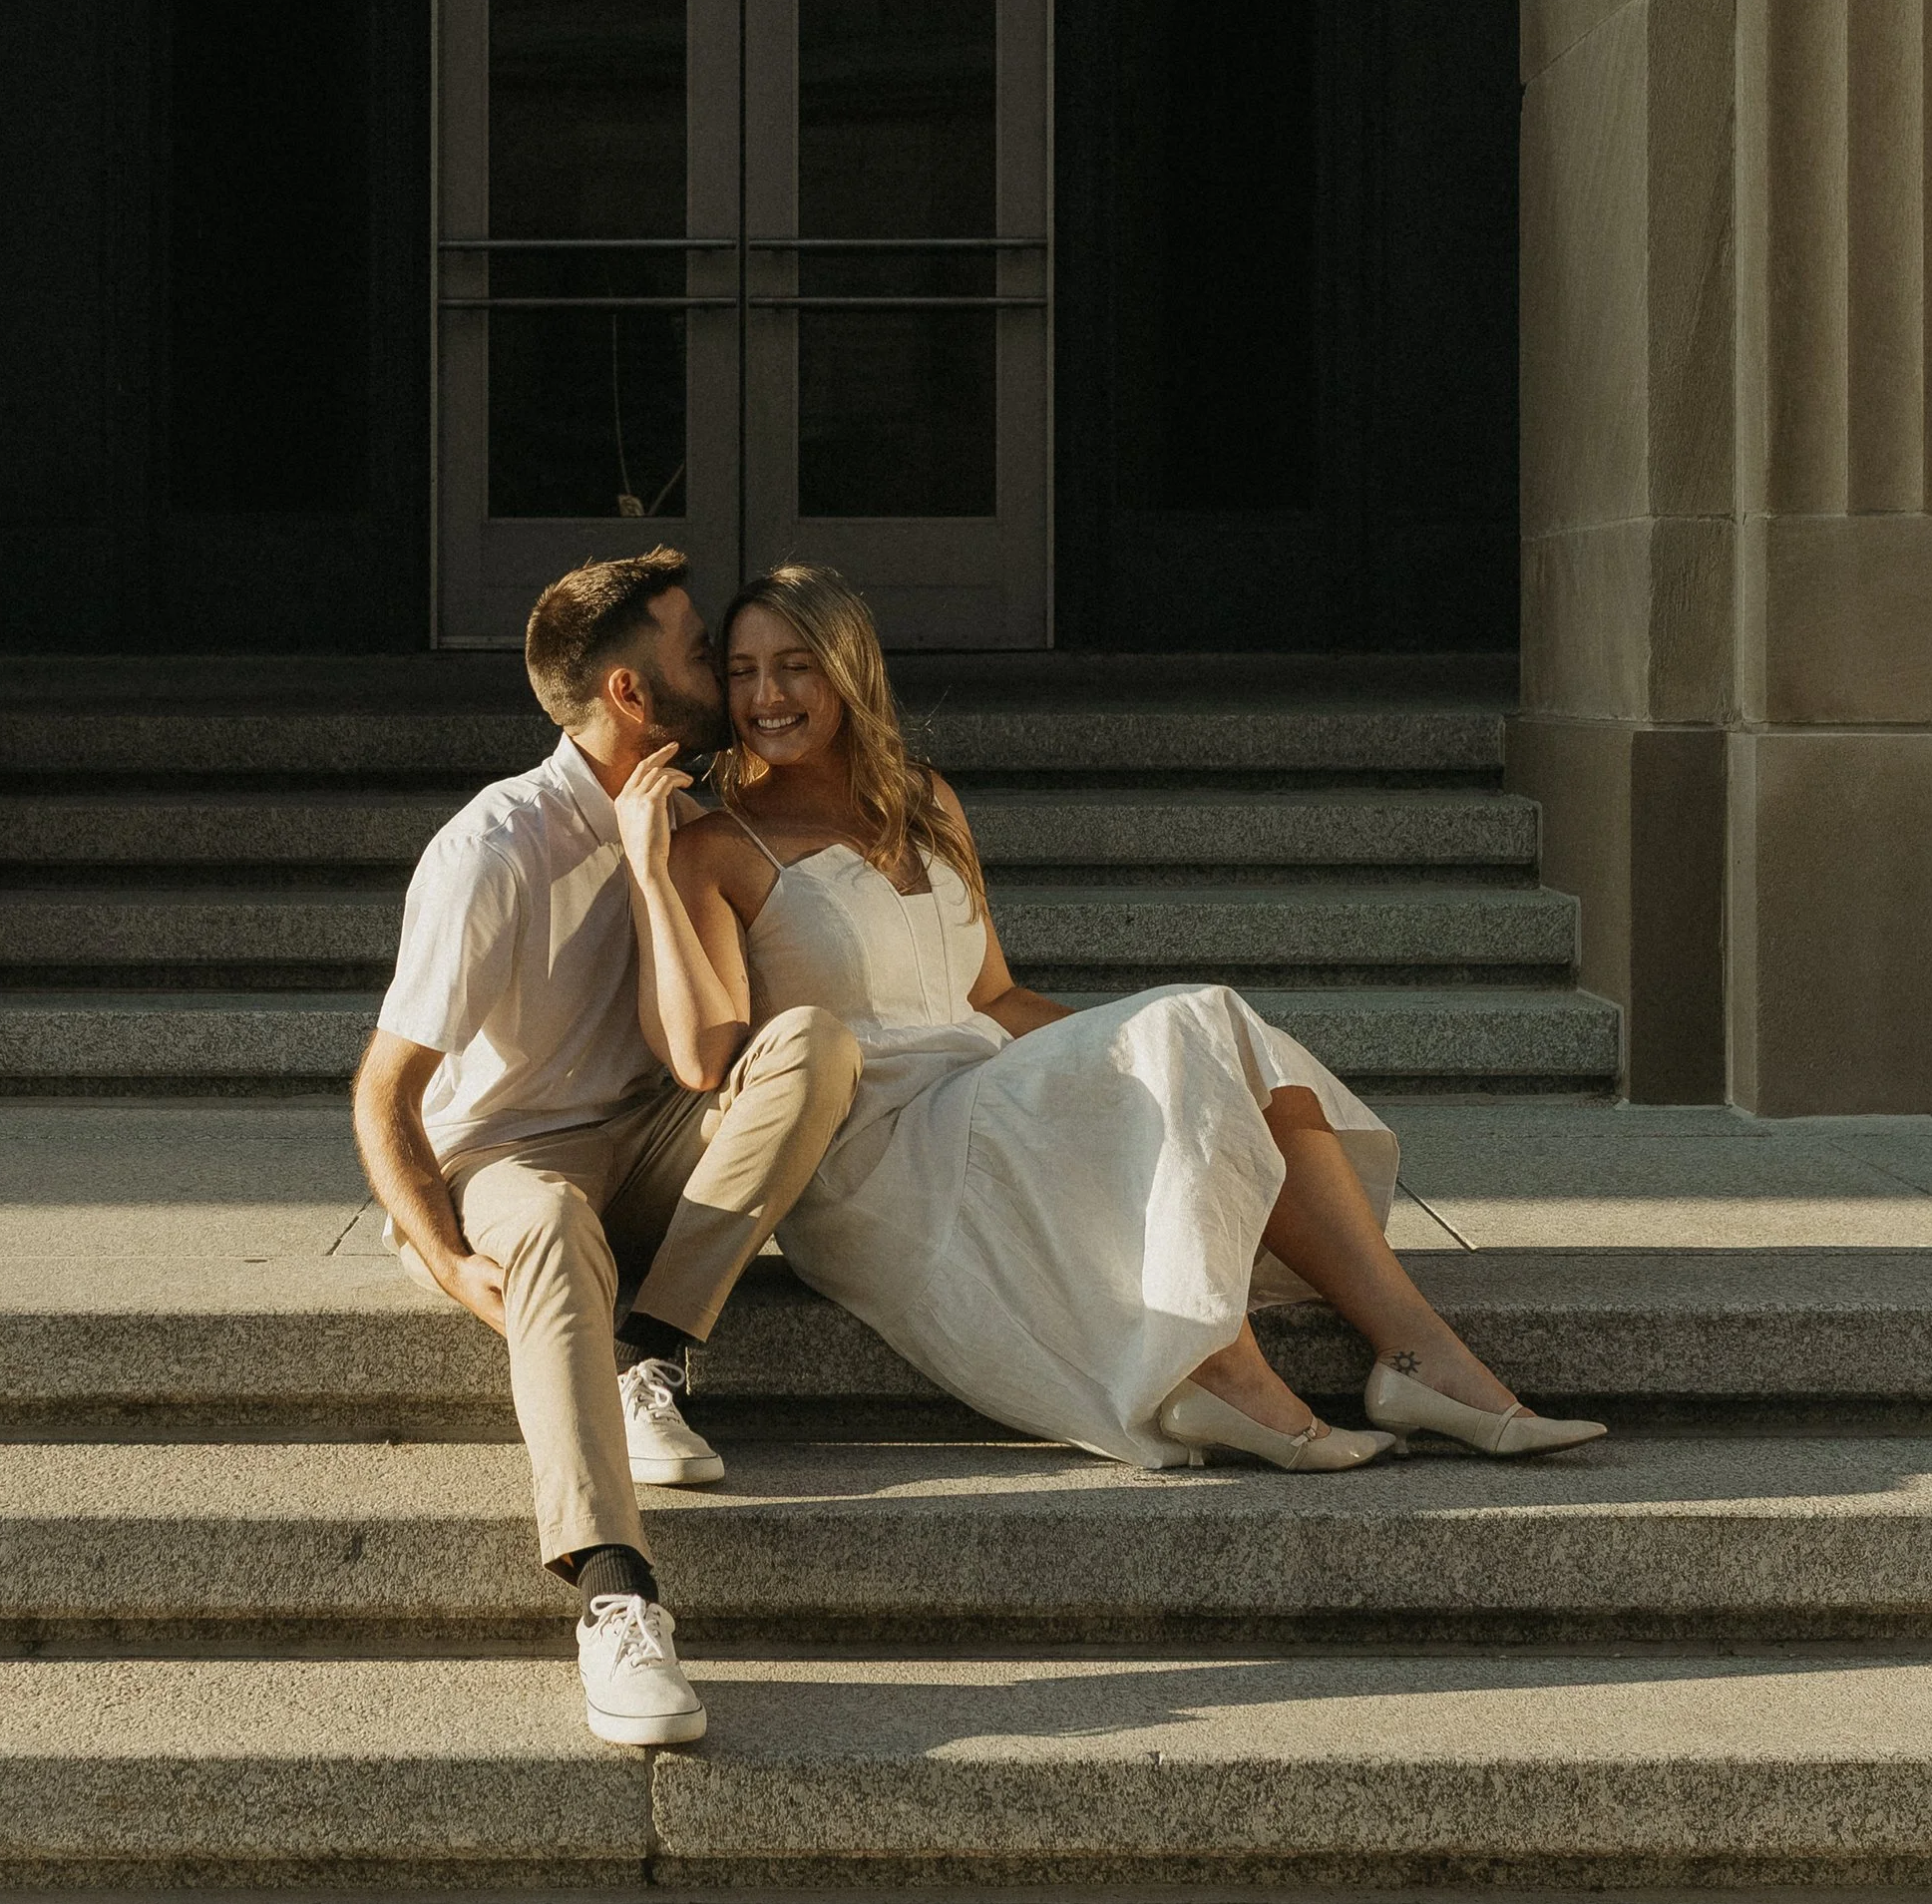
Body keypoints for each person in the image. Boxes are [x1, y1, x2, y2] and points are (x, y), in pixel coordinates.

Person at [628, 561, 1605, 1475]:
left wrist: (1151, 1063)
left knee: (1218, 1038)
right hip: (876, 1146)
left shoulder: (923, 802)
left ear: (848, 672)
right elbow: (705, 1057)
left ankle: (1416, 1354)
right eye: (746, 672)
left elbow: (992, 998)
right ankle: (1222, 1368)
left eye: (795, 667)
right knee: (1196, 1024)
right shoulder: (715, 849)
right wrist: (648, 868)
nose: (766, 698)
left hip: (982, 1090)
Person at [352, 550, 861, 1752]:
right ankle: (615, 1596)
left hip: (649, 1145)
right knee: (547, 1225)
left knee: (814, 1046)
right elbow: (384, 1095)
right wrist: (447, 1254)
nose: (730, 681)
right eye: (701, 656)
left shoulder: (694, 811)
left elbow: (715, 1052)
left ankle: (652, 1351)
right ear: (631, 693)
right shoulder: (493, 846)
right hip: (508, 1159)